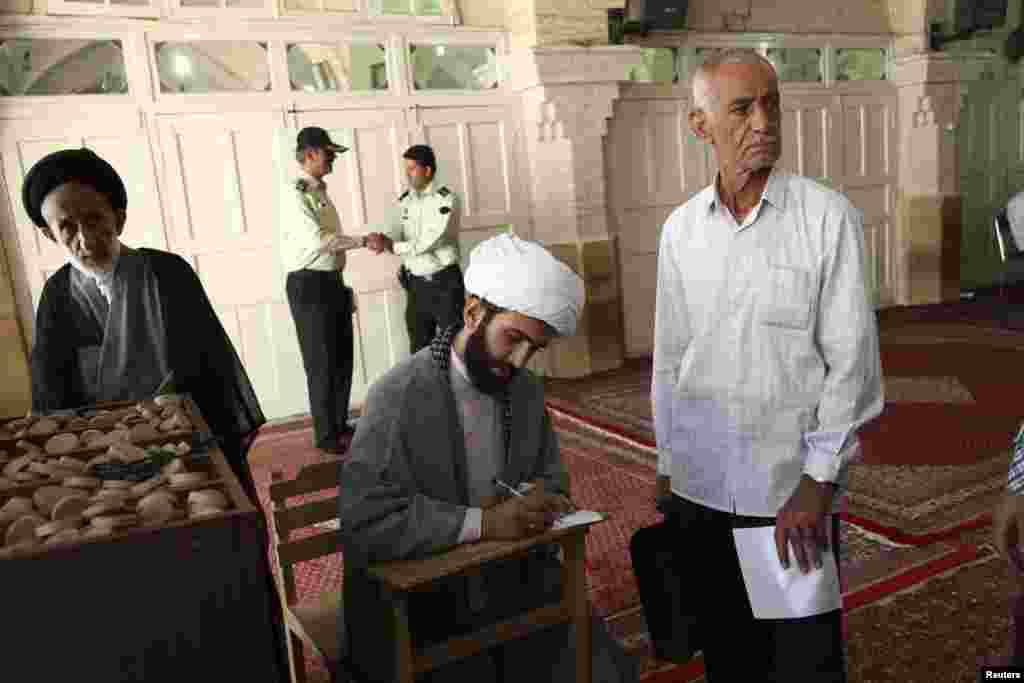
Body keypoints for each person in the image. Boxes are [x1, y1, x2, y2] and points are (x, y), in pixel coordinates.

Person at [649, 48, 883, 680]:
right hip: (699, 494)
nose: (763, 122)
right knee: (730, 659)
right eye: (742, 107)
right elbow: (671, 360)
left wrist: (818, 480)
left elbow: (853, 364)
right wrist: (669, 465)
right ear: (701, 125)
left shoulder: (825, 218)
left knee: (802, 665)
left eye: (771, 103)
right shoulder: (681, 232)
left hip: (784, 498)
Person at [336, 233, 638, 683]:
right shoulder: (398, 396)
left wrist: (544, 498)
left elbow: (552, 479)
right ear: (473, 312)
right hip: (421, 597)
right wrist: (486, 523)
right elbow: (365, 523)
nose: (519, 361)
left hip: (509, 577)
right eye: (513, 338)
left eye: (535, 349)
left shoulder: (526, 392)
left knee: (598, 668)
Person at [22, 147, 265, 499]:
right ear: (49, 235)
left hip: (183, 452)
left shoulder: (168, 273)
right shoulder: (57, 295)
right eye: (67, 228)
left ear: (118, 219)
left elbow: (211, 373)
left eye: (94, 220)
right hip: (103, 469)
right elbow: (53, 395)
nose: (85, 241)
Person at [282, 126, 367, 456]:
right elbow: (321, 241)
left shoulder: (318, 190)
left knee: (342, 357)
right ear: (311, 154)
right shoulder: (295, 193)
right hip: (309, 284)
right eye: (329, 154)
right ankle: (326, 436)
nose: (333, 160)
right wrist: (364, 241)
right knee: (321, 361)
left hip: (331, 282)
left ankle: (338, 425)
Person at [365, 144, 464, 354]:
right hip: (416, 286)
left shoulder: (446, 198)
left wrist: (393, 246)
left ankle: (452, 388)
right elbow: (399, 231)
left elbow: (432, 240)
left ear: (427, 170)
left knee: (454, 347)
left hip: (444, 284)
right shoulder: (406, 200)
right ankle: (424, 388)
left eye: (412, 169)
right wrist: (382, 239)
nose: (407, 174)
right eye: (406, 169)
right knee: (419, 349)